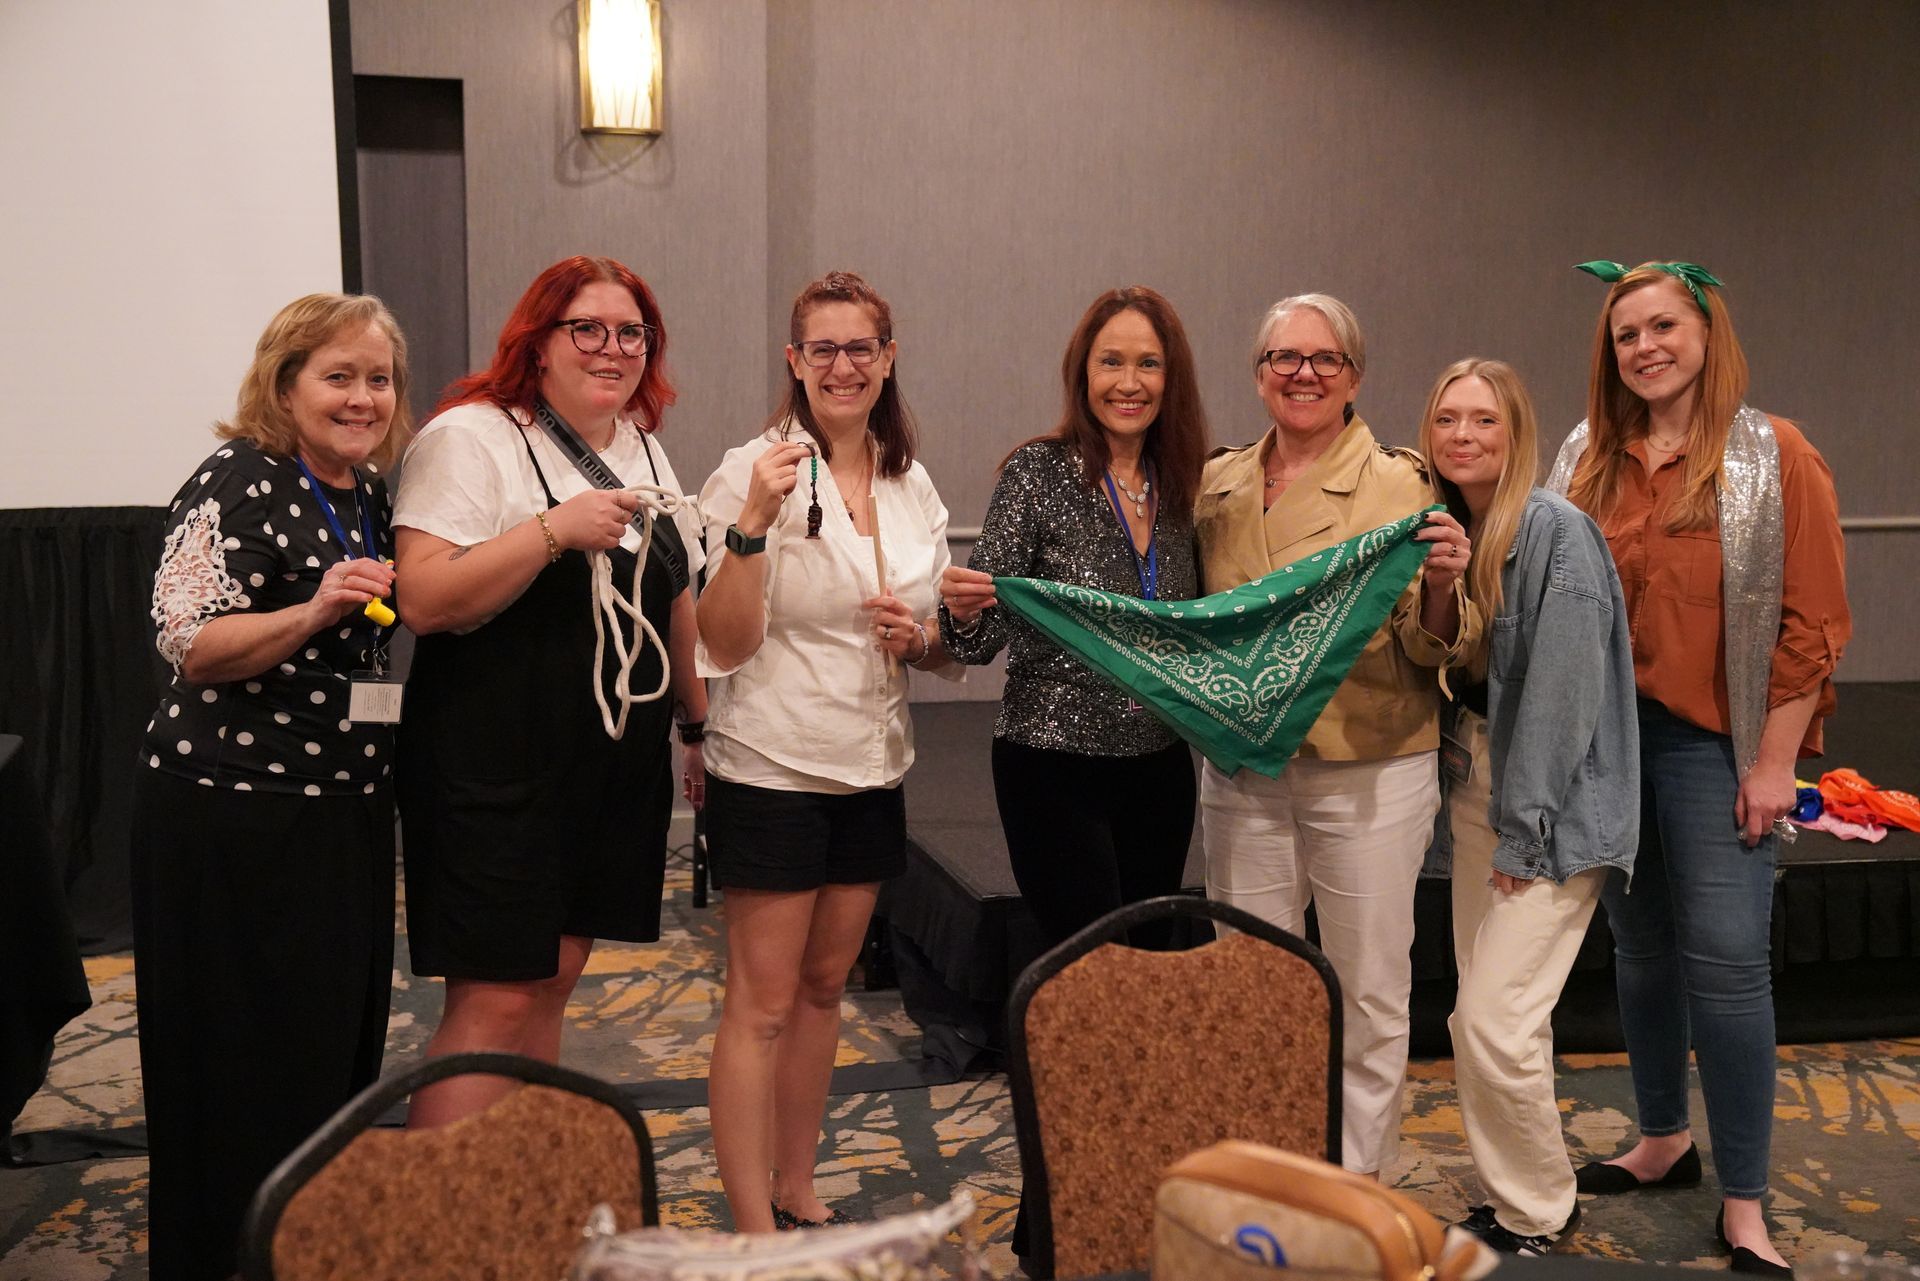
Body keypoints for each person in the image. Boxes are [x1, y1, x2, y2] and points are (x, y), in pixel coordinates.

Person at [1553, 262, 1849, 1276]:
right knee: (1641, 954)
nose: (1645, 346)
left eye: (1663, 325)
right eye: (1626, 333)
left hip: (1715, 750)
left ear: (1706, 331)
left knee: (1726, 969)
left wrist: (1774, 763)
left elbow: (1814, 624)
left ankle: (1747, 1203)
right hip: (1613, 748)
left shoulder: (1774, 453)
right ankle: (1662, 1136)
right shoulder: (1586, 456)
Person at [392, 255, 707, 1127]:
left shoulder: (642, 446)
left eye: (631, 332)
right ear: (537, 341)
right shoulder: (471, 436)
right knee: (494, 999)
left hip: (607, 764)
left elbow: (673, 591)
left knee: (555, 980)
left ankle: (512, 1205)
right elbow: (422, 598)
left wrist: (697, 726)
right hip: (494, 760)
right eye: (589, 329)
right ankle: (436, 1237)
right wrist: (551, 532)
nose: (613, 349)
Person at [133, 293, 411, 1279]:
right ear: (284, 382)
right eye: (338, 376)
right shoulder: (235, 481)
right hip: (229, 818)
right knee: (236, 1071)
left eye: (378, 379)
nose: (362, 397)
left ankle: (305, 1251)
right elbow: (191, 643)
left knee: (328, 1062)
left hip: (340, 819)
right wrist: (312, 610)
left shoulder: (369, 491)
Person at [697, 271, 959, 1232]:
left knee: (821, 990)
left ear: (888, 360)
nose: (843, 366)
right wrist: (752, 528)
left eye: (861, 349)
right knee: (760, 1001)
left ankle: (794, 1181)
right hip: (772, 763)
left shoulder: (909, 480)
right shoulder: (750, 468)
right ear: (795, 361)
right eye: (824, 350)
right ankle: (751, 1225)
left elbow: (934, 642)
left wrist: (921, 638)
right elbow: (721, 642)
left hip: (875, 763)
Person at [1193, 293, 1476, 1177]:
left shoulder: (1401, 482)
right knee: (1248, 986)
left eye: (1324, 360)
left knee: (1366, 992)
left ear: (1355, 375)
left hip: (1369, 765)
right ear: (1258, 373)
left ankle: (1356, 1187)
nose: (1303, 374)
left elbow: (1432, 642)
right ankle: (1266, 1175)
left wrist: (1440, 587)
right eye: (1284, 358)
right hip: (1244, 769)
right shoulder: (1218, 483)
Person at [1415, 358, 1638, 1256]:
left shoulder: (1557, 530)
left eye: (1484, 421)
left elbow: (1561, 693)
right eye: (1447, 419)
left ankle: (1543, 1206)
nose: (1463, 436)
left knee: (1493, 1020)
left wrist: (1528, 825)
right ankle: (1516, 1200)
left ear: (1517, 435)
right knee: (1493, 1010)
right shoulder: (1442, 527)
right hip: (1475, 788)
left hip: (1549, 808)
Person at [938, 285, 1210, 951]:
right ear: (1081, 372)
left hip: (1160, 767)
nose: (1129, 382)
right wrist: (963, 613)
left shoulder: (1185, 485)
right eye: (1110, 361)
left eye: (1148, 364)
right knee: (1091, 968)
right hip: (1052, 765)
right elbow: (979, 640)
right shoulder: (1036, 473)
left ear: (1170, 378)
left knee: (1147, 960)